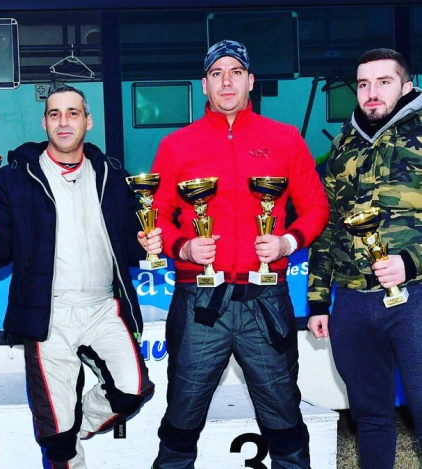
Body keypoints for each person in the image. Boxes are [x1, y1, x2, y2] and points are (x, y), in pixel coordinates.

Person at [149, 40, 329, 468]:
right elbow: (155, 215)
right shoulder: (176, 145)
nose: (226, 82)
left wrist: (287, 243)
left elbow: (316, 208)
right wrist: (184, 246)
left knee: (283, 418)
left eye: (235, 72)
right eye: (217, 73)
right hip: (199, 302)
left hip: (264, 298)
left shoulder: (284, 138)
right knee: (181, 420)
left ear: (250, 81)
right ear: (205, 85)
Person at [0, 85, 155, 469]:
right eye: (54, 114)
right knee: (57, 435)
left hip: (104, 307)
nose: (64, 121)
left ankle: (74, 426)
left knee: (133, 389)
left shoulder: (111, 174)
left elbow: (129, 244)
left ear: (88, 121)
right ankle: (62, 435)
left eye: (73, 113)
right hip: (48, 312)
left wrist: (145, 242)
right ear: (44, 123)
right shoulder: (15, 179)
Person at [307, 48, 422, 469]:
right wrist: (319, 301)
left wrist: (411, 262)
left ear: (406, 86)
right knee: (369, 417)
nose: (372, 92)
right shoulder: (342, 145)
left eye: (383, 82)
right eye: (363, 84)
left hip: (416, 297)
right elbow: (327, 227)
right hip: (353, 302)